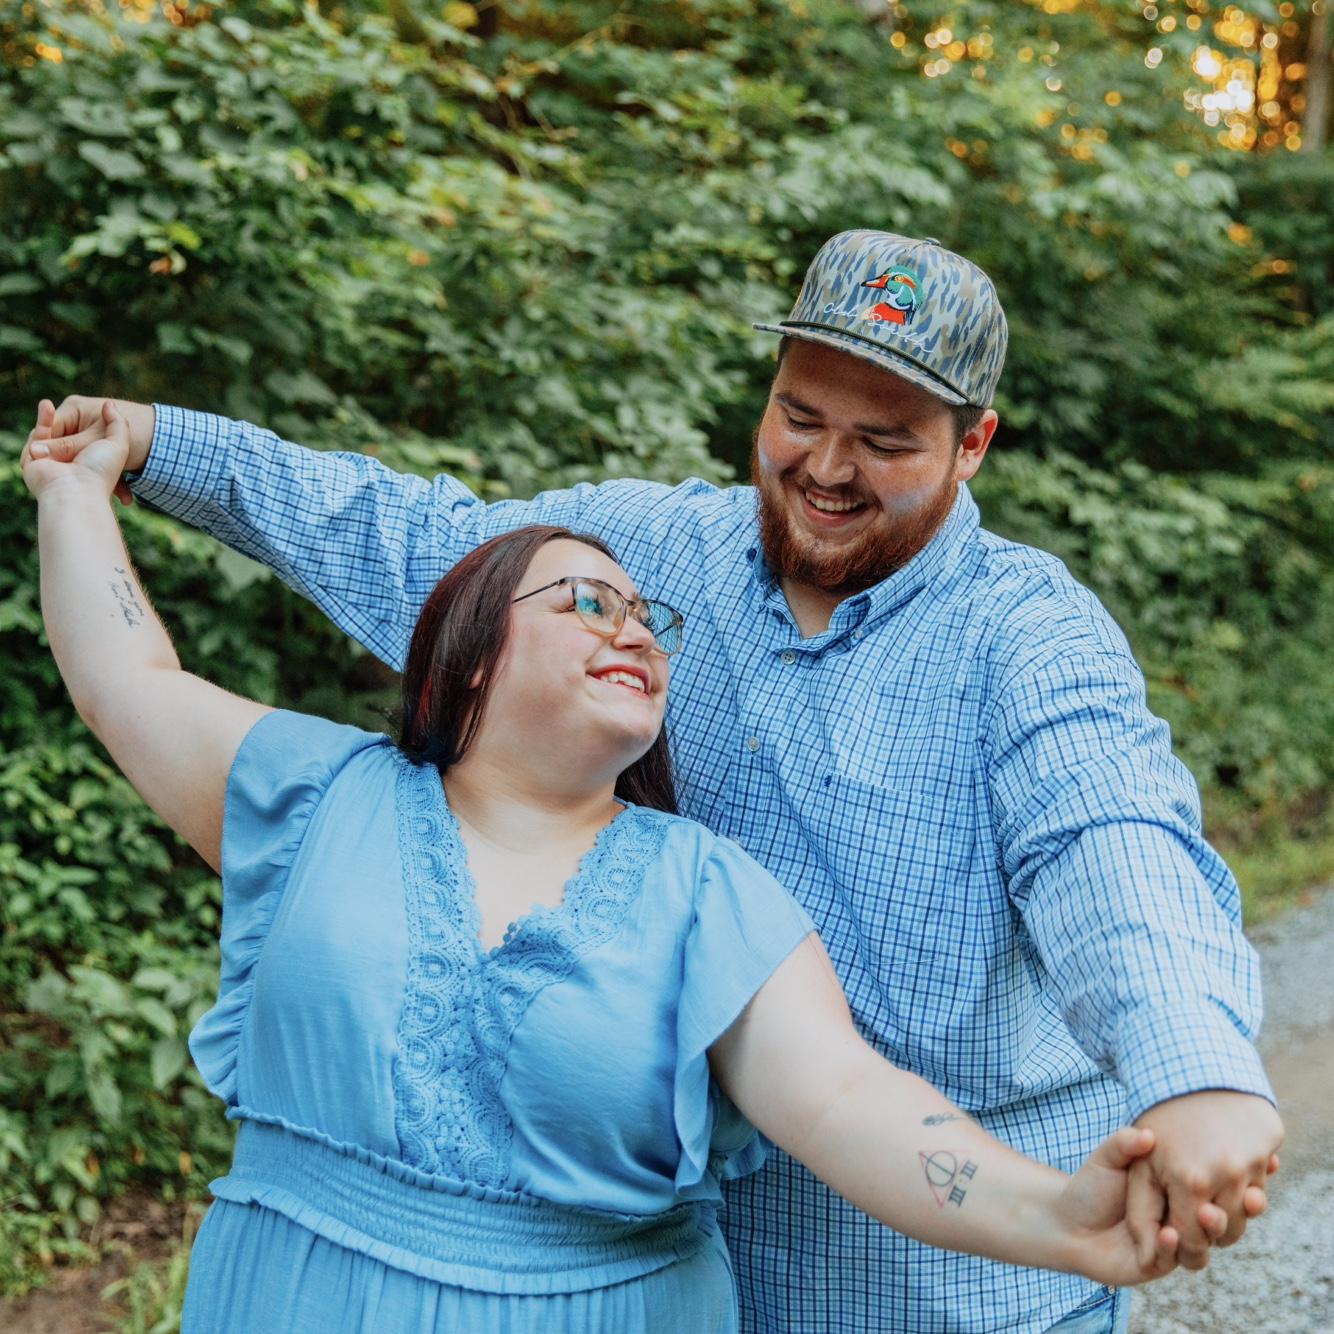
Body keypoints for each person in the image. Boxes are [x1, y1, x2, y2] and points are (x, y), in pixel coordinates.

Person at [25, 230, 1282, 1334]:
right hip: (683, 1255)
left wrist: (1194, 1073)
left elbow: (1110, 848)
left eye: (883, 439)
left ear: (972, 447)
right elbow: (399, 536)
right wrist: (157, 444)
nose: (826, 466)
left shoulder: (1026, 636)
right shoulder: (646, 555)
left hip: (942, 1284)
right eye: (800, 416)